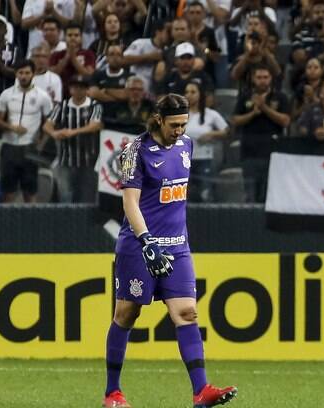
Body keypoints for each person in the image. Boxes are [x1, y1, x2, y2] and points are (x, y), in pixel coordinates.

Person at [103, 93, 237, 408]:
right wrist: (147, 241)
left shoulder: (187, 146)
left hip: (177, 247)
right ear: (159, 119)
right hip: (140, 246)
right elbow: (130, 203)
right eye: (174, 124)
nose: (180, 130)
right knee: (126, 313)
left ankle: (201, 391)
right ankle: (112, 392)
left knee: (187, 313)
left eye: (183, 124)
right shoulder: (135, 151)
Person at [0, 59, 53, 203]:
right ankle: (6, 224)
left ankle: (30, 224)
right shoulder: (6, 94)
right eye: (21, 73)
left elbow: (50, 123)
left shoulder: (43, 96)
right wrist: (11, 127)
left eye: (27, 73)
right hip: (9, 147)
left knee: (30, 191)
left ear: (33, 74)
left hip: (30, 148)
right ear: (16, 74)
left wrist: (41, 144)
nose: (24, 76)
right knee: (7, 192)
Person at [231, 64, 290, 203]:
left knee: (269, 194)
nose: (262, 80)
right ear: (253, 79)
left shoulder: (280, 97)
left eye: (265, 77)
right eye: (259, 77)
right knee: (250, 194)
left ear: (271, 79)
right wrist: (252, 113)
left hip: (273, 153)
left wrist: (264, 108)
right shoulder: (245, 96)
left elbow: (286, 121)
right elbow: (235, 120)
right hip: (249, 153)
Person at [43, 75, 103, 203]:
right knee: (65, 194)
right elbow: (47, 125)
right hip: (66, 159)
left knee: (87, 195)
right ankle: (67, 222)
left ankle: (85, 223)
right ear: (70, 89)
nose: (78, 90)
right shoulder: (62, 106)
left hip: (89, 160)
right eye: (75, 87)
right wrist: (54, 134)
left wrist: (73, 132)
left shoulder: (95, 106)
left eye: (81, 87)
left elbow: (95, 125)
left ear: (86, 90)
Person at [183, 81, 229, 202]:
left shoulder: (211, 114)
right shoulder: (180, 115)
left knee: (205, 193)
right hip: (183, 160)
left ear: (200, 95)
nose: (189, 95)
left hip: (204, 158)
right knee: (183, 195)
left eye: (193, 92)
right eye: (187, 92)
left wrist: (211, 134)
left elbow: (226, 131)